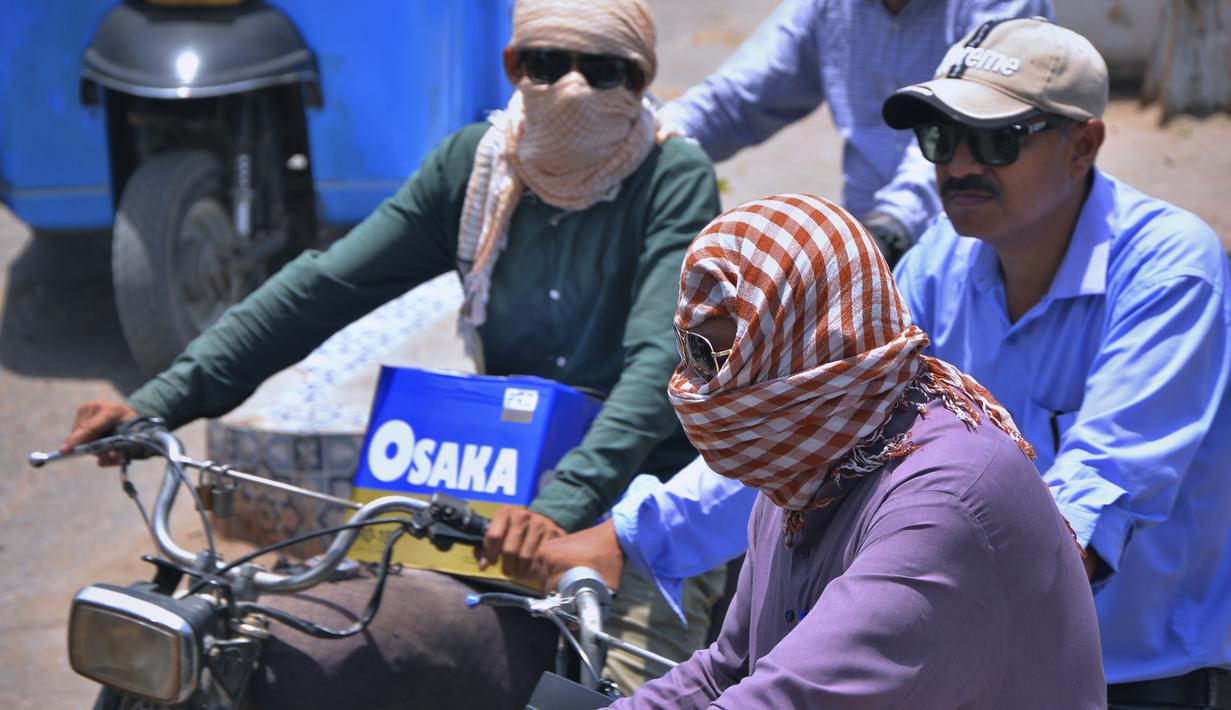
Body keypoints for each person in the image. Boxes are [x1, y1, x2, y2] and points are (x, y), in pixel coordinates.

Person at [60, 0, 725, 699]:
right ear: (511, 67)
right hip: (500, 482)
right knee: (342, 619)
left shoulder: (671, 177)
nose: (571, 88)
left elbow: (660, 361)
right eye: (547, 63)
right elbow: (320, 290)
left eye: (603, 71)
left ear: (642, 80)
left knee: (624, 688)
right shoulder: (472, 169)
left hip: (643, 497)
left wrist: (563, 504)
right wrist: (160, 402)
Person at [610, 193, 1105, 708]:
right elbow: (727, 671)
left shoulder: (944, 498)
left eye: (715, 357)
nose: (699, 385)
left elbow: (787, 698)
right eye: (688, 347)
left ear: (804, 347)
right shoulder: (801, 469)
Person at [880, 17, 1231, 706]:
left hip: (1142, 678)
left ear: (1082, 146)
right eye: (939, 137)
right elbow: (823, 430)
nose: (957, 165)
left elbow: (1091, 493)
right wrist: (631, 536)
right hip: (974, 661)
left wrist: (882, 601)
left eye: (994, 139)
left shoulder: (1170, 273)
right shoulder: (932, 266)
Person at [658, 0, 1051, 265]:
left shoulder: (1001, 8)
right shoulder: (830, 7)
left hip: (977, 247)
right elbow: (735, 98)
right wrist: (651, 137)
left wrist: (889, 229)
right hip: (870, 247)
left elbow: (961, 136)